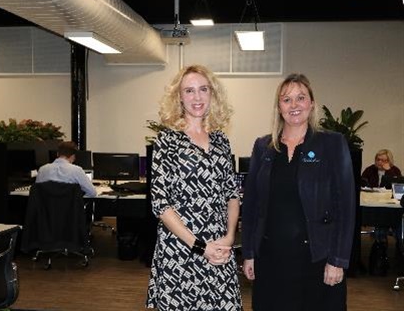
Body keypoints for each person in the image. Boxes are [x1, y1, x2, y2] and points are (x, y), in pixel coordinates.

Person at [241, 73, 355, 311]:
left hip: (318, 258)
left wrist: (338, 259)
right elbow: (251, 205)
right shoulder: (263, 147)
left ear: (311, 103)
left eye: (300, 98)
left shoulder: (332, 144)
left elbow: (345, 206)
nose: (294, 105)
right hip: (271, 259)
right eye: (286, 99)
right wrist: (249, 252)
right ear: (278, 107)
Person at [145, 65, 242, 310]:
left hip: (219, 248)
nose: (197, 97)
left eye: (203, 89)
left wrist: (229, 238)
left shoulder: (221, 140)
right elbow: (160, 204)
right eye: (189, 91)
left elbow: (231, 194)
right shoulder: (167, 141)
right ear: (179, 97)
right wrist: (200, 247)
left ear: (212, 94)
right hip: (181, 249)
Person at [362, 150, 402, 275]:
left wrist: (388, 170)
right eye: (378, 159)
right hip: (372, 202)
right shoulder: (370, 170)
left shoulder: (394, 170)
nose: (380, 162)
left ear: (389, 161)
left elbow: (397, 186)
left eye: (384, 160)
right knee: (379, 220)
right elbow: (362, 183)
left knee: (387, 219)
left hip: (389, 204)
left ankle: (389, 250)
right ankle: (380, 247)